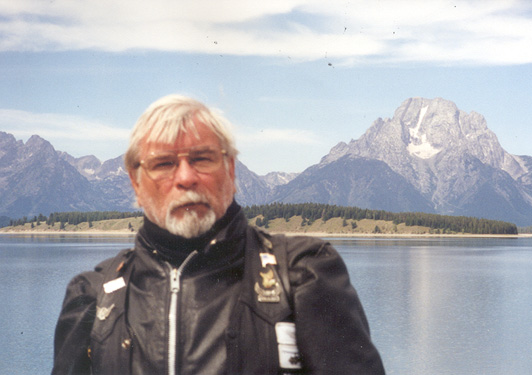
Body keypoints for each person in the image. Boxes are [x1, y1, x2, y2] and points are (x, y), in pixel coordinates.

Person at [52, 94, 385, 374]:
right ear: (135, 183)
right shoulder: (92, 297)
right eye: (164, 164)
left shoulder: (303, 274)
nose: (185, 178)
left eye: (202, 159)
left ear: (231, 171)